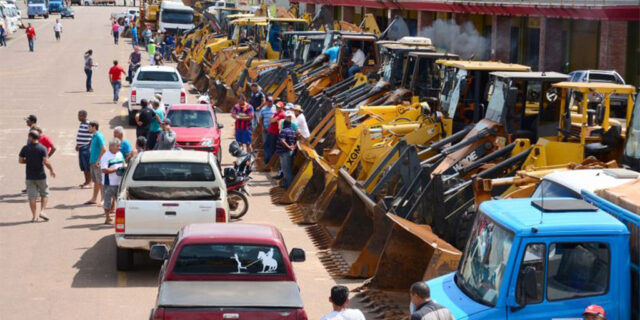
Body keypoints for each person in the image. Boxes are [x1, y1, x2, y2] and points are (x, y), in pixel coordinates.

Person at [19, 131, 56, 222]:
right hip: (41, 175)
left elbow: (20, 160)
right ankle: (43, 211)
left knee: (32, 197)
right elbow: (46, 162)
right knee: (44, 193)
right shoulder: (42, 148)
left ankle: (34, 216)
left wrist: (28, 161)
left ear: (31, 137)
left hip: (29, 176)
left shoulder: (25, 148)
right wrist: (51, 170)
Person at [100, 139, 125, 224]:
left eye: (119, 146)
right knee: (107, 201)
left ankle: (119, 219)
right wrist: (116, 170)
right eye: (117, 146)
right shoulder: (105, 156)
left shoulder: (120, 154)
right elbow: (104, 170)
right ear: (111, 147)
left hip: (119, 183)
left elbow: (123, 163)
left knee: (120, 202)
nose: (119, 148)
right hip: (109, 183)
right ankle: (107, 218)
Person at [85, 122, 106, 206]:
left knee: (100, 181)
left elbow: (104, 149)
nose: (88, 128)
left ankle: (103, 199)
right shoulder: (94, 136)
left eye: (89, 127)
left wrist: (99, 160)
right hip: (92, 162)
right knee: (96, 181)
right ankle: (94, 198)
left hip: (97, 163)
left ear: (94, 127)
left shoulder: (98, 136)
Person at [276, 111, 298, 188]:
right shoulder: (293, 131)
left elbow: (282, 141)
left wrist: (288, 147)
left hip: (284, 152)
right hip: (289, 152)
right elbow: (296, 141)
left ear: (284, 125)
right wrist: (293, 147)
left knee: (286, 170)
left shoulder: (284, 131)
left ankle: (289, 186)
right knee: (288, 168)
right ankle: (287, 184)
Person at [76, 110, 92, 188]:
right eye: (78, 116)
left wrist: (89, 146)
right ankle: (86, 181)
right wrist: (77, 144)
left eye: (80, 116)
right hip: (81, 148)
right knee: (83, 166)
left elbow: (93, 135)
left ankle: (89, 182)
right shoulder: (82, 124)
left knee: (87, 166)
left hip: (86, 148)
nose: (78, 117)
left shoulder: (88, 124)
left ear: (84, 116)